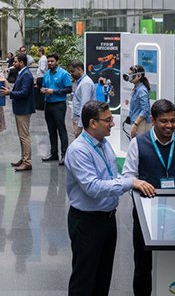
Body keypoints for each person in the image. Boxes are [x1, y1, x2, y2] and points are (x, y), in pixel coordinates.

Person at [65, 100, 156, 296]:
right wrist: (130, 182)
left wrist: (129, 180)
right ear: (93, 123)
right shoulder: (79, 150)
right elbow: (93, 187)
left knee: (102, 277)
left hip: (107, 220)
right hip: (87, 223)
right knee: (84, 280)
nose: (112, 124)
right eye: (107, 120)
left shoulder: (103, 144)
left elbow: (111, 176)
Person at [122, 98, 175, 296]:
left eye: (173, 121)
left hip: (173, 213)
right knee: (143, 266)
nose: (169, 125)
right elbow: (128, 176)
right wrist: (138, 185)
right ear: (153, 120)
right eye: (164, 121)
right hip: (147, 216)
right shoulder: (138, 143)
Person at [0, 54, 35, 171]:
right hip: (20, 108)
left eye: (15, 62)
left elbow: (24, 93)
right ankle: (24, 158)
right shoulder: (22, 73)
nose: (13, 64)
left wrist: (10, 93)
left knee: (24, 136)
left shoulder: (26, 75)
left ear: (21, 62)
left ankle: (27, 162)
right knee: (22, 135)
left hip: (24, 109)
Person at [41, 52, 72, 165]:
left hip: (59, 104)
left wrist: (53, 91)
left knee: (61, 129)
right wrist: (43, 89)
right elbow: (44, 85)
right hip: (48, 104)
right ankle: (54, 153)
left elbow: (69, 89)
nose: (50, 63)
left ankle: (65, 155)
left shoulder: (64, 73)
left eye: (52, 61)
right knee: (51, 130)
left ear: (57, 61)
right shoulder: (47, 74)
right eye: (48, 61)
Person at [69, 59, 96, 138]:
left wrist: (80, 127)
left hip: (83, 123)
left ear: (79, 69)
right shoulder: (82, 82)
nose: (71, 74)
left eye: (72, 71)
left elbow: (84, 106)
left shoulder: (85, 83)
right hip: (80, 121)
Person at [127, 65, 151, 138]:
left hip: (141, 124)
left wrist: (136, 124)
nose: (129, 76)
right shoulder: (136, 88)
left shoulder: (142, 90)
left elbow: (145, 109)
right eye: (129, 74)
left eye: (131, 74)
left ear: (139, 76)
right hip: (136, 122)